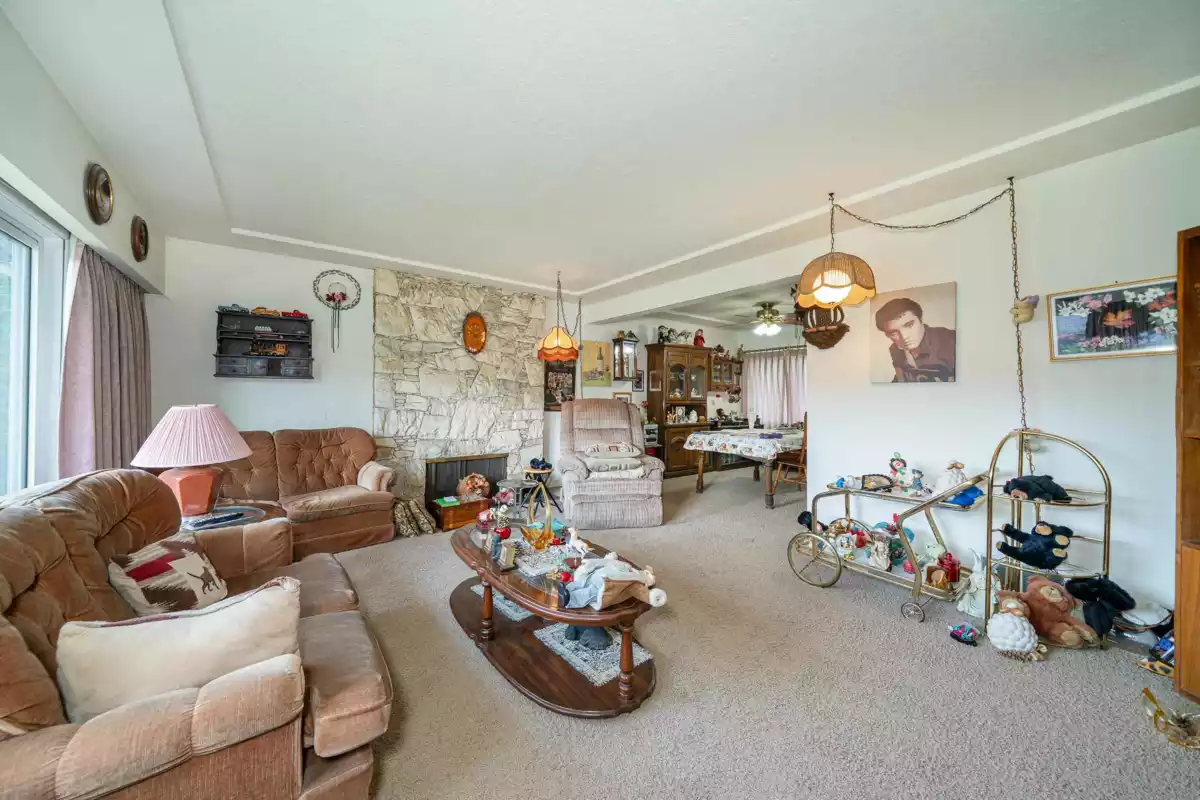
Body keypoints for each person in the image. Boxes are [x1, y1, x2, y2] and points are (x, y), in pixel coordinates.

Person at [874, 297, 956, 382]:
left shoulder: (951, 340)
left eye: (909, 325)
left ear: (921, 320)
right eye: (893, 332)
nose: (904, 336)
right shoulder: (895, 350)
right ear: (887, 335)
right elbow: (901, 380)